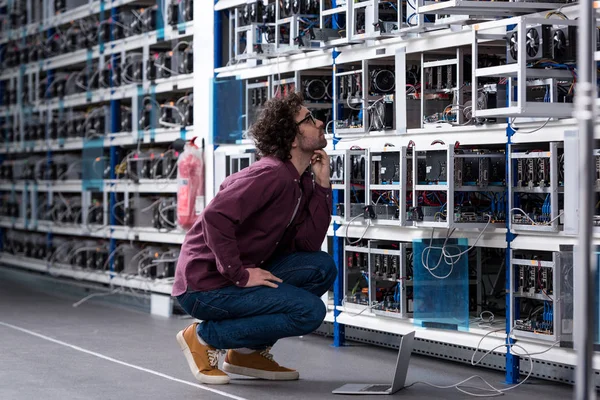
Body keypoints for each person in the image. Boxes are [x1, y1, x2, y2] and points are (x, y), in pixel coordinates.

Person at [172, 92, 337, 385]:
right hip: (204, 286)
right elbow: (215, 217)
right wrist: (239, 274)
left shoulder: (299, 181)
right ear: (293, 138)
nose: (320, 122)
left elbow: (308, 246)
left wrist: (323, 185)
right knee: (310, 312)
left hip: (232, 275)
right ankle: (202, 337)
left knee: (321, 267)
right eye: (309, 119)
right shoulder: (270, 174)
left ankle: (247, 351)